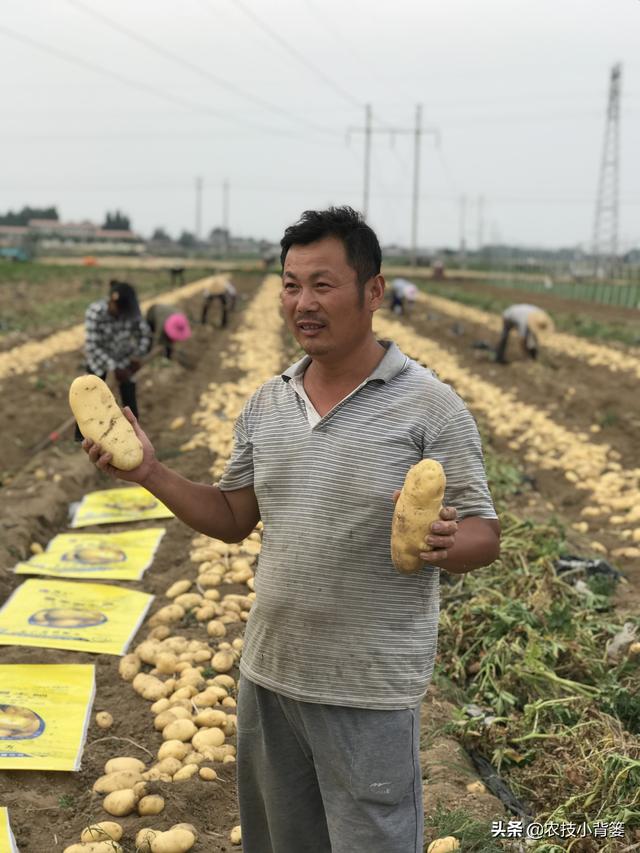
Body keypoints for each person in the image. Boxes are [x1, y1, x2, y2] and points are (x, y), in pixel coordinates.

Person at [82, 206, 500, 853]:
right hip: (270, 677)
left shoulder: (430, 408)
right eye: (290, 283)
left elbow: (485, 535)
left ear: (373, 292)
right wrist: (151, 472)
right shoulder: (267, 404)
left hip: (368, 688)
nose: (302, 301)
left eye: (322, 283)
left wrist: (446, 542)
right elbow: (231, 516)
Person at [75, 281, 151, 441]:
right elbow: (92, 346)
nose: (122, 315)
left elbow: (144, 334)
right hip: (99, 360)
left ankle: (135, 434)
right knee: (89, 399)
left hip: (123, 358)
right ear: (111, 301)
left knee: (129, 396)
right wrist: (114, 368)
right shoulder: (95, 312)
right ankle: (82, 439)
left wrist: (137, 356)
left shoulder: (131, 312)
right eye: (119, 310)